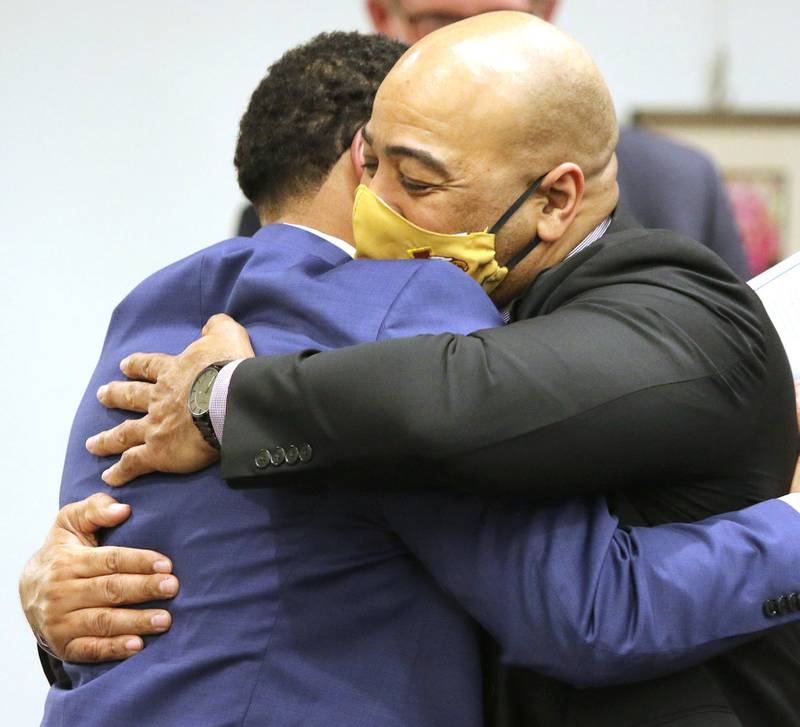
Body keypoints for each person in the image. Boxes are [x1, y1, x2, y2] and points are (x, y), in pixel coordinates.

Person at [23, 29, 785, 727]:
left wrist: (228, 402)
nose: (376, 203)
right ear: (354, 150)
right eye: (373, 163)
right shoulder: (389, 304)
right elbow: (585, 610)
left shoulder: (157, 309)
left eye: (416, 182)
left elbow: (461, 404)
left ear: (556, 199)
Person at [237, 0, 750, 281]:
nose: (470, 45)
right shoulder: (307, 186)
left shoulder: (678, 186)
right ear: (380, 14)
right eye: (438, 20)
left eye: (498, 16)